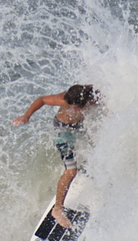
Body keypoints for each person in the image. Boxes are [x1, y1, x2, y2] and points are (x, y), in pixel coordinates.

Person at [13, 84, 99, 229]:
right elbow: (41, 100)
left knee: (97, 144)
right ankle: (58, 209)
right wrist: (27, 116)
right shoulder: (63, 99)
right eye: (71, 106)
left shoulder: (92, 95)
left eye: (77, 107)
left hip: (80, 125)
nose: (73, 109)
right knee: (71, 171)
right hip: (64, 131)